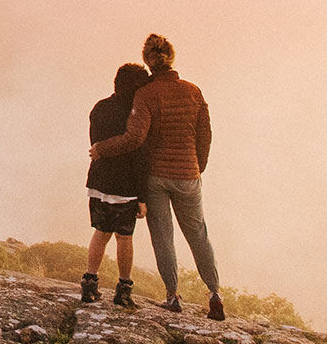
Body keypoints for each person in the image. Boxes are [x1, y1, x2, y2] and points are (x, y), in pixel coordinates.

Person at [88, 33, 226, 320]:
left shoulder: (146, 94)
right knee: (198, 234)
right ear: (171, 58)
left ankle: (173, 297)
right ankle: (214, 294)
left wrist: (102, 148)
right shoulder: (193, 91)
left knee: (163, 237)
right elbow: (205, 134)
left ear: (147, 61)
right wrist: (197, 166)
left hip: (157, 176)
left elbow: (135, 138)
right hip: (188, 174)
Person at [83, 63, 152, 306]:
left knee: (101, 233)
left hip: (99, 181)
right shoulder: (135, 114)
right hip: (125, 186)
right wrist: (143, 197)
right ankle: (123, 289)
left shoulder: (99, 107)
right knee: (124, 237)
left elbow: (96, 144)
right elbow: (139, 156)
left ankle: (89, 283)